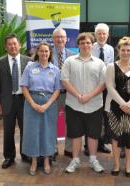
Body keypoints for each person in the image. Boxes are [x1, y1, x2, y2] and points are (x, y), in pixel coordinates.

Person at [62, 33, 105, 173]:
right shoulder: (69, 61)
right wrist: (79, 95)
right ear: (78, 45)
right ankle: (75, 160)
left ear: (92, 45)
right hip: (74, 104)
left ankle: (93, 159)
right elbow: (65, 81)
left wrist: (89, 96)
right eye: (82, 43)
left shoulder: (99, 63)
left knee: (93, 134)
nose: (85, 45)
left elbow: (103, 84)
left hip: (94, 105)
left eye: (88, 43)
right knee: (75, 134)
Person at [20, 42, 61, 175]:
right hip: (31, 102)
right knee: (32, 132)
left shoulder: (55, 70)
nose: (44, 53)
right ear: (37, 52)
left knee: (48, 133)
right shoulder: (30, 68)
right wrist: (33, 104)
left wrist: (46, 105)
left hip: (49, 103)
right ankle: (33, 161)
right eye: (42, 51)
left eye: (46, 51)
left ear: (50, 53)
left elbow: (57, 90)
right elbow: (24, 86)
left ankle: (47, 161)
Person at [0, 33, 31, 169]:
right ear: (5, 47)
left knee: (26, 129)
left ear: (19, 45)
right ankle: (9, 156)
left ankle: (26, 154)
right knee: (8, 131)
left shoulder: (29, 61)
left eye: (15, 43)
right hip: (7, 101)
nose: (13, 46)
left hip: (24, 100)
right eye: (10, 44)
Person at [105, 37, 130, 177]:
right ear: (118, 51)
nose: (125, 52)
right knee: (115, 137)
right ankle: (116, 165)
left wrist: (129, 104)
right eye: (123, 50)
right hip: (115, 106)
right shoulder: (111, 67)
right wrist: (122, 104)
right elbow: (110, 87)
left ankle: (128, 166)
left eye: (128, 50)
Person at [89, 23, 114, 155]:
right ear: (95, 35)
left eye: (104, 33)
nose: (102, 36)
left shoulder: (111, 49)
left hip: (106, 87)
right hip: (92, 86)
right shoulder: (90, 47)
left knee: (105, 115)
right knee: (92, 115)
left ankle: (102, 143)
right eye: (99, 33)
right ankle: (89, 145)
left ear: (108, 35)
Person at [52, 27, 75, 158]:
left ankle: (69, 148)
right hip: (53, 94)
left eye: (62, 37)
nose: (60, 39)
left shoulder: (73, 55)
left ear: (66, 39)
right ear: (53, 39)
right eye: (57, 37)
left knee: (70, 121)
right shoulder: (46, 54)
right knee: (52, 121)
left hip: (69, 94)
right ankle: (53, 148)